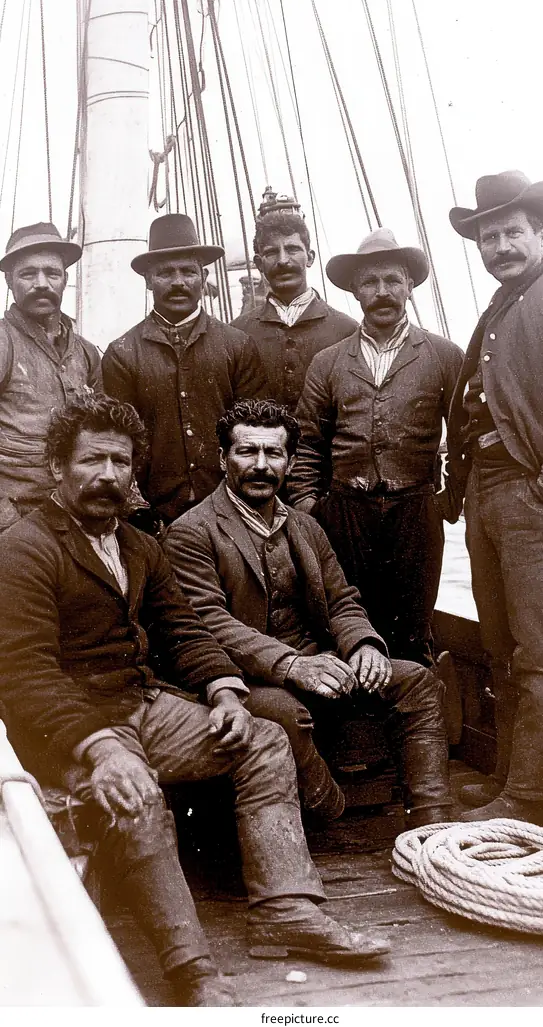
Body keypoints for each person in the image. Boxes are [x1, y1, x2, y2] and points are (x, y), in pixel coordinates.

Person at [0, 393, 390, 1007]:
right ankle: (192, 971)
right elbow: (25, 675)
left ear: (133, 473)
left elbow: (183, 631)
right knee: (138, 795)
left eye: (120, 463)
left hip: (142, 704)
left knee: (264, 737)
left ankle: (285, 909)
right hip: (72, 727)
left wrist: (226, 692)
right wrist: (102, 750)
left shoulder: (135, 544)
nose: (107, 475)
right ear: (56, 468)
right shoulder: (24, 548)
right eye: (90, 461)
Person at [165, 399, 453, 830]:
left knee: (417, 681)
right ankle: (329, 806)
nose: (260, 465)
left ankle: (433, 826)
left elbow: (342, 600)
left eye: (273, 454)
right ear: (223, 458)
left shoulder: (304, 525)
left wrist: (364, 645)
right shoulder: (192, 531)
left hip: (317, 661)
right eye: (247, 452)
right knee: (284, 710)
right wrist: (293, 665)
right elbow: (209, 622)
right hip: (243, 677)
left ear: (291, 461)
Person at [446, 170, 543, 825]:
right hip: (487, 495)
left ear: (541, 232)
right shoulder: (502, 305)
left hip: (531, 496)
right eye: (489, 236)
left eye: (512, 232)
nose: (500, 246)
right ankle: (512, 776)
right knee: (501, 644)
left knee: (539, 650)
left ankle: (533, 798)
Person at [288, 228, 464, 667]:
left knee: (413, 630)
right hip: (346, 513)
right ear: (354, 290)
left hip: (416, 513)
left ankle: (414, 725)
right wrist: (310, 507)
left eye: (392, 281)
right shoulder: (328, 362)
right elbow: (307, 442)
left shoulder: (443, 356)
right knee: (348, 626)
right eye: (370, 282)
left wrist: (448, 502)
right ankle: (358, 729)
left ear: (409, 285)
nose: (382, 292)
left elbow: (464, 440)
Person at [102, 214, 268, 525]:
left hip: (232, 511)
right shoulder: (122, 353)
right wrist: (137, 508)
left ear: (203, 279)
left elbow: (256, 434)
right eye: (166, 273)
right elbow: (117, 442)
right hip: (153, 517)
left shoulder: (238, 346)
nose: (179, 282)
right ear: (149, 280)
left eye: (188, 272)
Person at [0, 222, 102, 530]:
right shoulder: (4, 344)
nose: (41, 283)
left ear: (64, 280)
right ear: (9, 281)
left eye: (51, 273)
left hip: (76, 515)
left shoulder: (86, 351)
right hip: (15, 520)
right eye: (28, 274)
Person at [232, 206, 357, 413]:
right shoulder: (238, 334)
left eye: (292, 249)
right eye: (271, 252)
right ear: (258, 263)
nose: (283, 260)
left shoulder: (346, 330)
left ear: (310, 257)